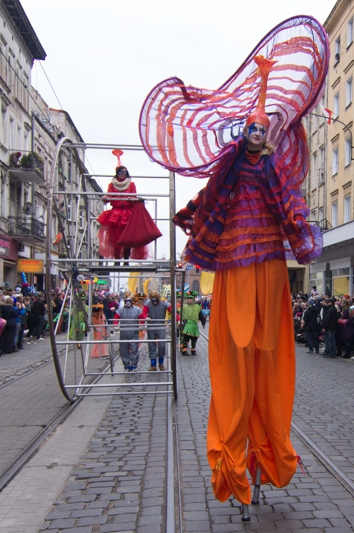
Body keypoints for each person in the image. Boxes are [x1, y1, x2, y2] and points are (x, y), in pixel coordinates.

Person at [140, 15, 326, 507]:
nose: (258, 133)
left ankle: (265, 447)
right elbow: (211, 198)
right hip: (234, 264)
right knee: (237, 350)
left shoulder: (273, 170)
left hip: (268, 264)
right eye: (252, 128)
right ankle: (234, 452)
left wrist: (299, 226)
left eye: (263, 128)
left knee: (268, 351)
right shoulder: (229, 168)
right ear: (244, 132)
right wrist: (192, 213)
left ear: (268, 134)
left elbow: (288, 204)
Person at [142, 290, 170, 371]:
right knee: (151, 345)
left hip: (161, 325)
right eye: (152, 299)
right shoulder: (147, 303)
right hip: (151, 326)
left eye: (155, 299)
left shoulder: (164, 303)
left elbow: (172, 310)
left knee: (162, 345)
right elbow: (144, 312)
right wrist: (146, 317)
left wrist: (177, 319)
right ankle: (153, 364)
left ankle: (161, 363)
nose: (154, 301)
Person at [114, 297, 143, 372]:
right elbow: (116, 318)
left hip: (134, 332)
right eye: (126, 301)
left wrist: (142, 325)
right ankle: (126, 364)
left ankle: (133, 364)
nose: (128, 303)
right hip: (124, 332)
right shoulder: (121, 310)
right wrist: (115, 325)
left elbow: (142, 318)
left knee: (134, 349)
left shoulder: (137, 309)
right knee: (123, 349)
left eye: (129, 301)